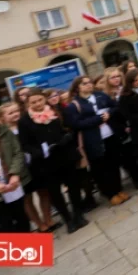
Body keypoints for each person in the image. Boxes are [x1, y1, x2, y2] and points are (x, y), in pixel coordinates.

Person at [18, 88, 88, 234]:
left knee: (73, 185)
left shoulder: (55, 111)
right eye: (33, 102)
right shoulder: (24, 120)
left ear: (44, 99)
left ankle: (78, 214)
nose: (37, 104)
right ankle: (68, 219)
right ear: (28, 104)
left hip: (65, 154)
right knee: (55, 192)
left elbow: (68, 127)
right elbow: (25, 143)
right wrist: (39, 152)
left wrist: (66, 137)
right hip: (46, 162)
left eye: (40, 100)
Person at [64, 75, 128, 206]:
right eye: (84, 84)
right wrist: (98, 119)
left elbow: (115, 106)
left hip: (109, 134)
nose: (88, 85)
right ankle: (110, 193)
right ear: (77, 88)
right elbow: (76, 124)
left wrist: (109, 113)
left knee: (114, 163)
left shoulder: (100, 95)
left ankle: (118, 189)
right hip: (93, 140)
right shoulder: (74, 105)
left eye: (89, 82)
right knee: (100, 168)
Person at [0, 102, 56, 233]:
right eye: (10, 113)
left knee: (44, 192)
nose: (15, 114)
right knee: (27, 199)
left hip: (36, 164)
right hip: (19, 169)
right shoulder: (2, 134)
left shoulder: (27, 124)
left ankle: (48, 218)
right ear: (2, 118)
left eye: (16, 111)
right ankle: (39, 224)